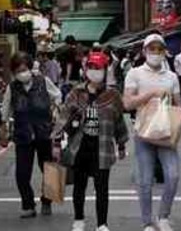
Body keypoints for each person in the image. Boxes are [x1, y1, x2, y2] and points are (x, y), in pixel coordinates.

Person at [61, 52, 128, 231]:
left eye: (98, 68)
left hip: (103, 147)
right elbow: (63, 117)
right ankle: (79, 219)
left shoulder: (112, 95)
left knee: (102, 188)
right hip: (80, 146)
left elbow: (119, 121)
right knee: (79, 186)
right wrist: (56, 140)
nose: (94, 71)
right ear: (85, 69)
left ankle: (102, 224)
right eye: (90, 67)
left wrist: (121, 144)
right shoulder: (76, 92)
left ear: (105, 70)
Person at [122, 34, 181, 231]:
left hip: (165, 133)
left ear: (165, 52)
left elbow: (178, 105)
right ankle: (147, 222)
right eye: (151, 49)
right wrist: (150, 94)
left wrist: (177, 130)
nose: (155, 53)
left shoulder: (172, 76)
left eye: (159, 49)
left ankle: (163, 216)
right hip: (143, 132)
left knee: (172, 176)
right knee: (145, 180)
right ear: (145, 51)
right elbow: (127, 103)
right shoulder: (135, 73)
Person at [0, 53, 62, 218]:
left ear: (30, 68)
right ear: (14, 72)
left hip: (44, 132)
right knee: (22, 173)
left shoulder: (43, 81)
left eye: (24, 69)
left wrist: (55, 109)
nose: (22, 73)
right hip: (23, 135)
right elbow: (5, 111)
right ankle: (28, 205)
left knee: (49, 169)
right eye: (18, 70)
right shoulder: (12, 88)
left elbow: (57, 95)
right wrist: (3, 132)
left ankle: (47, 201)